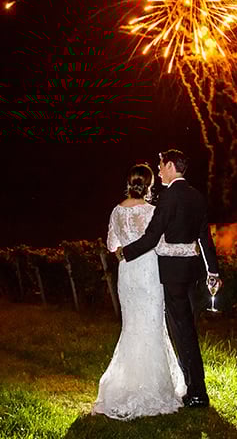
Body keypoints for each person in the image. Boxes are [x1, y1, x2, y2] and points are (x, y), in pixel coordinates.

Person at [116, 149, 221, 408]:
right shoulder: (197, 196)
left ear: (172, 165)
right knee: (189, 331)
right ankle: (195, 388)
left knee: (182, 332)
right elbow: (205, 238)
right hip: (193, 273)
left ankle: (197, 393)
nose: (159, 171)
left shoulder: (167, 197)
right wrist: (213, 272)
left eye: (161, 166)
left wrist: (125, 253)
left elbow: (152, 237)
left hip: (172, 274)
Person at [92, 163, 186, 420]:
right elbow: (162, 245)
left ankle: (126, 385)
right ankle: (154, 387)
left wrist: (124, 244)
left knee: (132, 326)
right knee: (152, 326)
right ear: (149, 184)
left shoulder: (116, 211)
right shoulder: (153, 212)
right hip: (149, 273)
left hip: (128, 274)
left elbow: (113, 245)